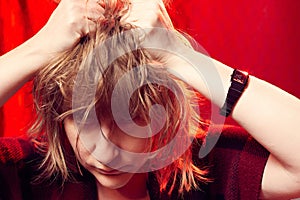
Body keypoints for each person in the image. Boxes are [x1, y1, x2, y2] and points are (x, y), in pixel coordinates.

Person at [0, 0, 299, 200]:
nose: (105, 150)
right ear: (60, 118)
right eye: (83, 120)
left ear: (163, 111)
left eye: (128, 119)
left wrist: (181, 58)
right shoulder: (29, 176)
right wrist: (40, 47)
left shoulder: (205, 172)